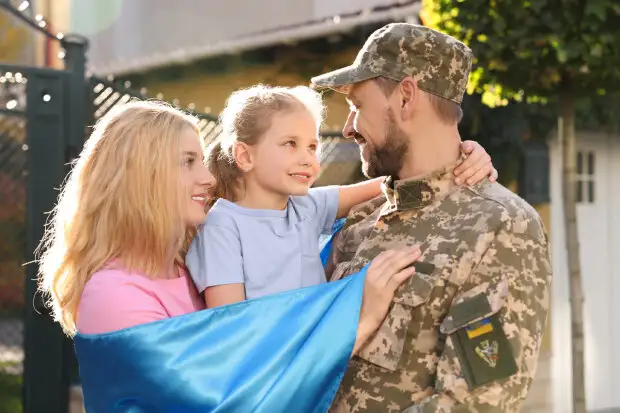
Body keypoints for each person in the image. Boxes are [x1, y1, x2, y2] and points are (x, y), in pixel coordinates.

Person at [36, 99, 426, 411]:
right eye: (188, 162)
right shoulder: (114, 296)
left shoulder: (187, 256)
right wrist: (359, 322)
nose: (207, 178)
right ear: (141, 175)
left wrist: (453, 163)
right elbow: (237, 400)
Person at [310, 23, 552, 413]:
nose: (348, 128)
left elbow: (478, 402)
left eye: (357, 106)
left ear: (406, 96)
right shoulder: (359, 220)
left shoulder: (500, 225)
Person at [186, 84, 498, 308]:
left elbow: (393, 185)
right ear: (244, 156)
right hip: (269, 378)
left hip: (318, 368)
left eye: (312, 146)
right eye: (290, 144)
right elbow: (229, 327)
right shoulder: (222, 226)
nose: (308, 158)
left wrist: (462, 159)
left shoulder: (304, 207)